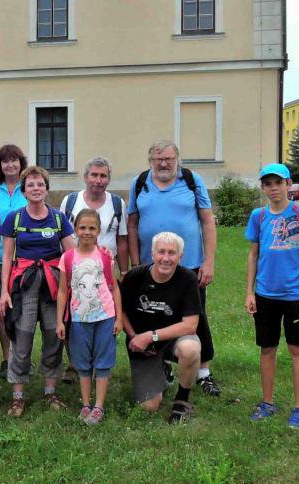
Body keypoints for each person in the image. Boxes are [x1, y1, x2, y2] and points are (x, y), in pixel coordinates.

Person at [127, 140, 220, 397]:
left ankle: (203, 371)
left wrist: (209, 261)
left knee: (196, 317)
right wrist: (135, 264)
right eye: (158, 160)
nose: (164, 164)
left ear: (177, 159)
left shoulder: (191, 180)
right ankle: (163, 363)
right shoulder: (140, 183)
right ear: (150, 162)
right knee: (154, 314)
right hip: (151, 266)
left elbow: (207, 221)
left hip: (189, 265)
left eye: (169, 159)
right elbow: (132, 224)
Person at [245, 163, 299, 429]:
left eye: (278, 182)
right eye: (268, 184)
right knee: (267, 348)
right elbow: (253, 254)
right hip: (265, 293)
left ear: (288, 184)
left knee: (297, 349)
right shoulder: (259, 216)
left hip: (295, 294)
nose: (273, 188)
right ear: (263, 188)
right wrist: (249, 292)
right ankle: (267, 403)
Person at [0, 166, 74, 417]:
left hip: (53, 286)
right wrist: (4, 292)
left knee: (53, 336)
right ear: (23, 191)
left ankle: (50, 391)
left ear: (46, 188)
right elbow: (7, 257)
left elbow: (71, 255)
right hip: (25, 285)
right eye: (30, 185)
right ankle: (17, 397)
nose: (36, 188)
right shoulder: (14, 219)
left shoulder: (58, 219)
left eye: (40, 184)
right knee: (22, 338)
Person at [120, 232, 202, 423]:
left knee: (190, 349)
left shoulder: (188, 278)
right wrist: (134, 337)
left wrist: (150, 336)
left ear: (180, 256)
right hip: (141, 344)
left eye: (172, 253)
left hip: (173, 340)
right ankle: (163, 370)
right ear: (152, 254)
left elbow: (190, 325)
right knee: (149, 406)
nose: (166, 258)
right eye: (161, 252)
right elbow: (120, 311)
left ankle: (182, 399)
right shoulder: (135, 277)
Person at [55, 209, 123, 426]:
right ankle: (86, 404)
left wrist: (119, 318)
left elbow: (114, 288)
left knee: (103, 362)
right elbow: (63, 292)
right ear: (75, 230)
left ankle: (99, 406)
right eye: (82, 227)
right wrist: (59, 320)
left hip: (105, 317)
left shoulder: (105, 256)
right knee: (82, 363)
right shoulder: (67, 257)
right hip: (79, 319)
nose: (87, 232)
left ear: (99, 230)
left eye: (92, 228)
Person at [0, 144, 28, 374]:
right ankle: (7, 359)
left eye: (14, 160)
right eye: (5, 161)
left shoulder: (29, 187)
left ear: (21, 163)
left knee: (23, 314)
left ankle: (21, 358)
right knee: (3, 312)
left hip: (24, 262)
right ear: (0, 165)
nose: (10, 165)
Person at [59, 157, 129, 275]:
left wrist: (124, 272)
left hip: (108, 269)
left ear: (108, 180)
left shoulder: (117, 203)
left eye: (103, 176)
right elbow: (61, 238)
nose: (98, 180)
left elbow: (122, 241)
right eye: (94, 175)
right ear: (85, 177)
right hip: (76, 269)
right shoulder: (69, 201)